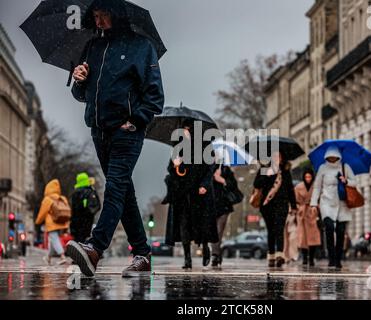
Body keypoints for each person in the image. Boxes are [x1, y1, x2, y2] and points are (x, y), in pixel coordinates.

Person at [66, 0, 164, 278]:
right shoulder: (92, 48)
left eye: (104, 16)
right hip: (99, 130)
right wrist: (80, 79)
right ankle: (143, 254)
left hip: (127, 131)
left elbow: (155, 97)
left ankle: (95, 248)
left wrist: (133, 122)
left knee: (116, 186)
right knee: (124, 193)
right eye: (95, 16)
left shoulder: (141, 47)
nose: (99, 22)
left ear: (117, 15)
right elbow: (80, 95)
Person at [164, 121, 219, 269]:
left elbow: (210, 168)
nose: (185, 132)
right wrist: (176, 164)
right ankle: (187, 258)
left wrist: (204, 185)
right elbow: (171, 170)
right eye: (183, 129)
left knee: (203, 224)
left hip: (200, 193)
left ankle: (206, 247)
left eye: (188, 129)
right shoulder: (178, 147)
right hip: (182, 194)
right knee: (184, 225)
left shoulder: (205, 145)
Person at [310, 147, 356, 270]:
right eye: (329, 157)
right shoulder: (322, 168)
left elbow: (354, 182)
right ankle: (331, 258)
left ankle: (338, 259)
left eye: (334, 157)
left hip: (342, 204)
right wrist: (314, 203)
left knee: (341, 232)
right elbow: (317, 187)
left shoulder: (345, 167)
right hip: (327, 203)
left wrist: (346, 181)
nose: (332, 159)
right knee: (329, 228)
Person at [253, 151, 297, 268]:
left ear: (282, 158)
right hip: (267, 205)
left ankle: (280, 255)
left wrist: (293, 206)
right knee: (271, 230)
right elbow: (256, 184)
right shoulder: (264, 169)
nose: (277, 158)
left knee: (279, 228)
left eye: (279, 156)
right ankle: (271, 255)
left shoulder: (285, 172)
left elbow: (290, 189)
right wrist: (266, 175)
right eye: (274, 156)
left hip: (282, 204)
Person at [35, 179, 70, 265]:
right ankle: (48, 257)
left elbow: (42, 213)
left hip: (52, 223)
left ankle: (62, 256)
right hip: (62, 222)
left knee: (54, 238)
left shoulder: (47, 199)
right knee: (53, 240)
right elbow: (67, 211)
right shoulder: (62, 198)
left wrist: (37, 221)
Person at [211, 164, 240, 267]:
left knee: (218, 231)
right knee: (212, 231)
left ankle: (214, 255)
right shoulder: (207, 169)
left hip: (224, 206)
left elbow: (234, 186)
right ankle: (217, 254)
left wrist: (222, 180)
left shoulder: (226, 170)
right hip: (210, 206)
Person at [295, 169, 321, 267]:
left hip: (312, 212)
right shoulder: (298, 187)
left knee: (313, 237)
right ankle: (305, 258)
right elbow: (295, 201)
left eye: (309, 177)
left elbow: (319, 198)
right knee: (303, 238)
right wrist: (298, 208)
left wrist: (316, 206)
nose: (308, 179)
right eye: (306, 177)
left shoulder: (316, 187)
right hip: (302, 213)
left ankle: (311, 258)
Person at [70, 173, 101, 243]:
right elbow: (97, 206)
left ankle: (77, 249)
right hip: (87, 220)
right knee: (84, 238)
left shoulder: (75, 192)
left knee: (78, 239)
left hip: (76, 221)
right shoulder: (90, 191)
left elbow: (73, 209)